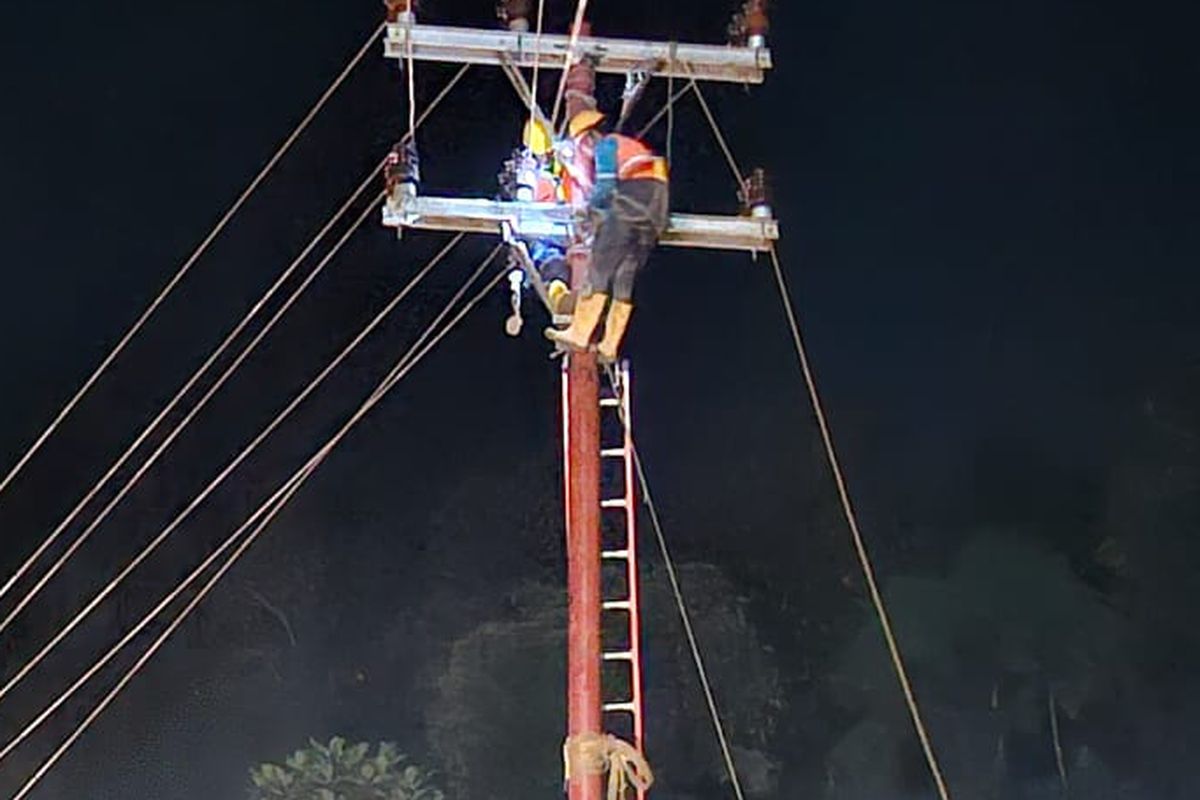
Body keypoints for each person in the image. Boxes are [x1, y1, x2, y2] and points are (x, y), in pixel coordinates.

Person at [545, 109, 669, 361]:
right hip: (656, 210)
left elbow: (605, 184)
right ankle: (610, 344)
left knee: (600, 266)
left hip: (633, 199)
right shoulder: (633, 148)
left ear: (590, 136)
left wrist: (589, 209)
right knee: (624, 275)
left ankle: (580, 333)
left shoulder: (606, 145)